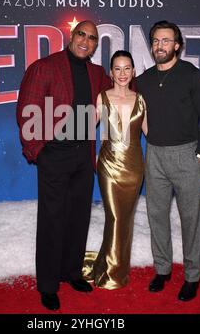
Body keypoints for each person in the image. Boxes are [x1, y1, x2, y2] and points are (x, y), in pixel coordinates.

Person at [16, 20, 112, 311]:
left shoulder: (96, 73)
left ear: (96, 44)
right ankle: (47, 285)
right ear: (72, 36)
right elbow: (26, 109)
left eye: (92, 38)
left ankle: (71, 273)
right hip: (54, 155)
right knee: (52, 220)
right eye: (81, 34)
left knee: (78, 217)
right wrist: (39, 151)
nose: (85, 41)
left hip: (83, 155)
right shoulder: (45, 66)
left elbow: (122, 85)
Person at [136, 20, 200, 301]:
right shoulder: (143, 79)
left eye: (166, 40)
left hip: (187, 154)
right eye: (156, 40)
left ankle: (192, 276)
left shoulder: (191, 75)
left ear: (177, 45)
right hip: (154, 155)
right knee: (156, 216)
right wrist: (150, 136)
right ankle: (163, 269)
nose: (160, 45)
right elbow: (133, 111)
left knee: (190, 219)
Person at [83, 50, 147, 289]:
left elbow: (153, 134)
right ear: (111, 72)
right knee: (115, 217)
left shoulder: (141, 100)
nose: (122, 73)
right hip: (109, 166)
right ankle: (111, 274)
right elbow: (84, 129)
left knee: (126, 219)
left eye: (127, 68)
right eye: (117, 68)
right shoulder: (102, 97)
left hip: (134, 168)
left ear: (133, 71)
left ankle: (110, 266)